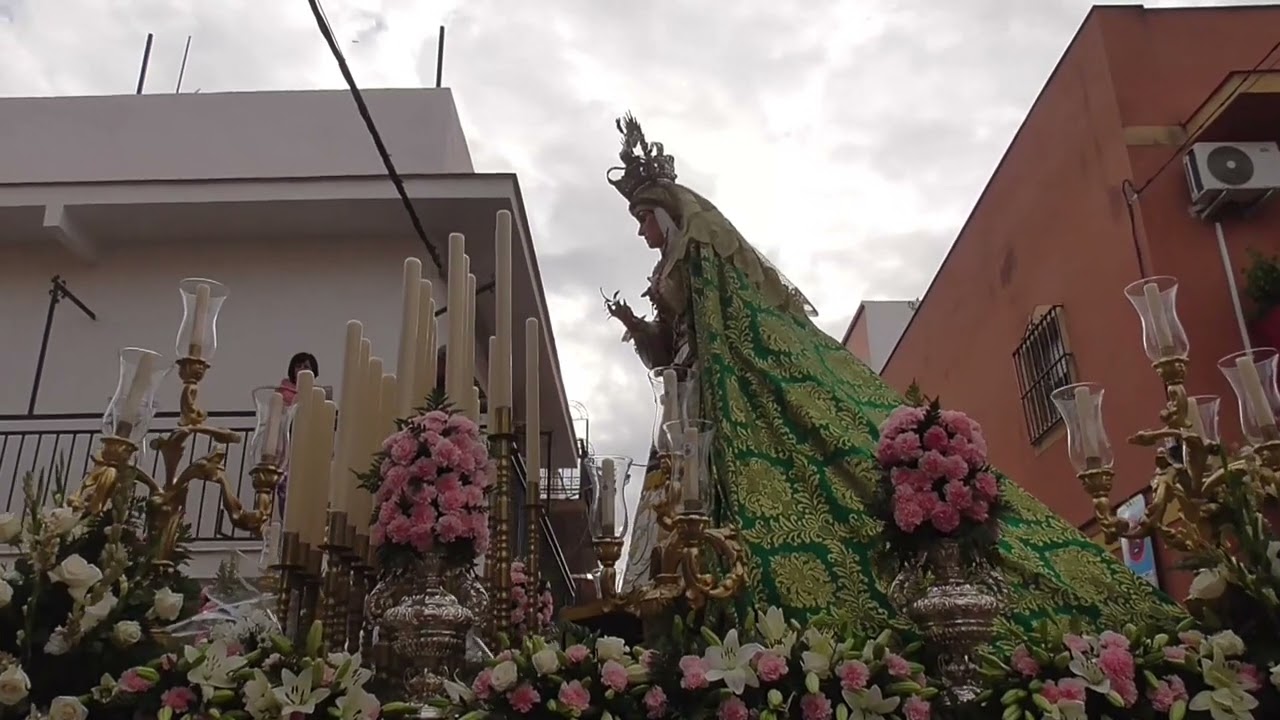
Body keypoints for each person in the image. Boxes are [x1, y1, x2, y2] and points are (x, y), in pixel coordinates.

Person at [602, 114, 1183, 640]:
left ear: (665, 213)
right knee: (681, 512)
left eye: (643, 219)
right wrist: (639, 326)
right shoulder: (668, 269)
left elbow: (718, 327)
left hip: (713, 391)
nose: (641, 233)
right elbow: (673, 347)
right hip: (684, 403)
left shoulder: (698, 255)